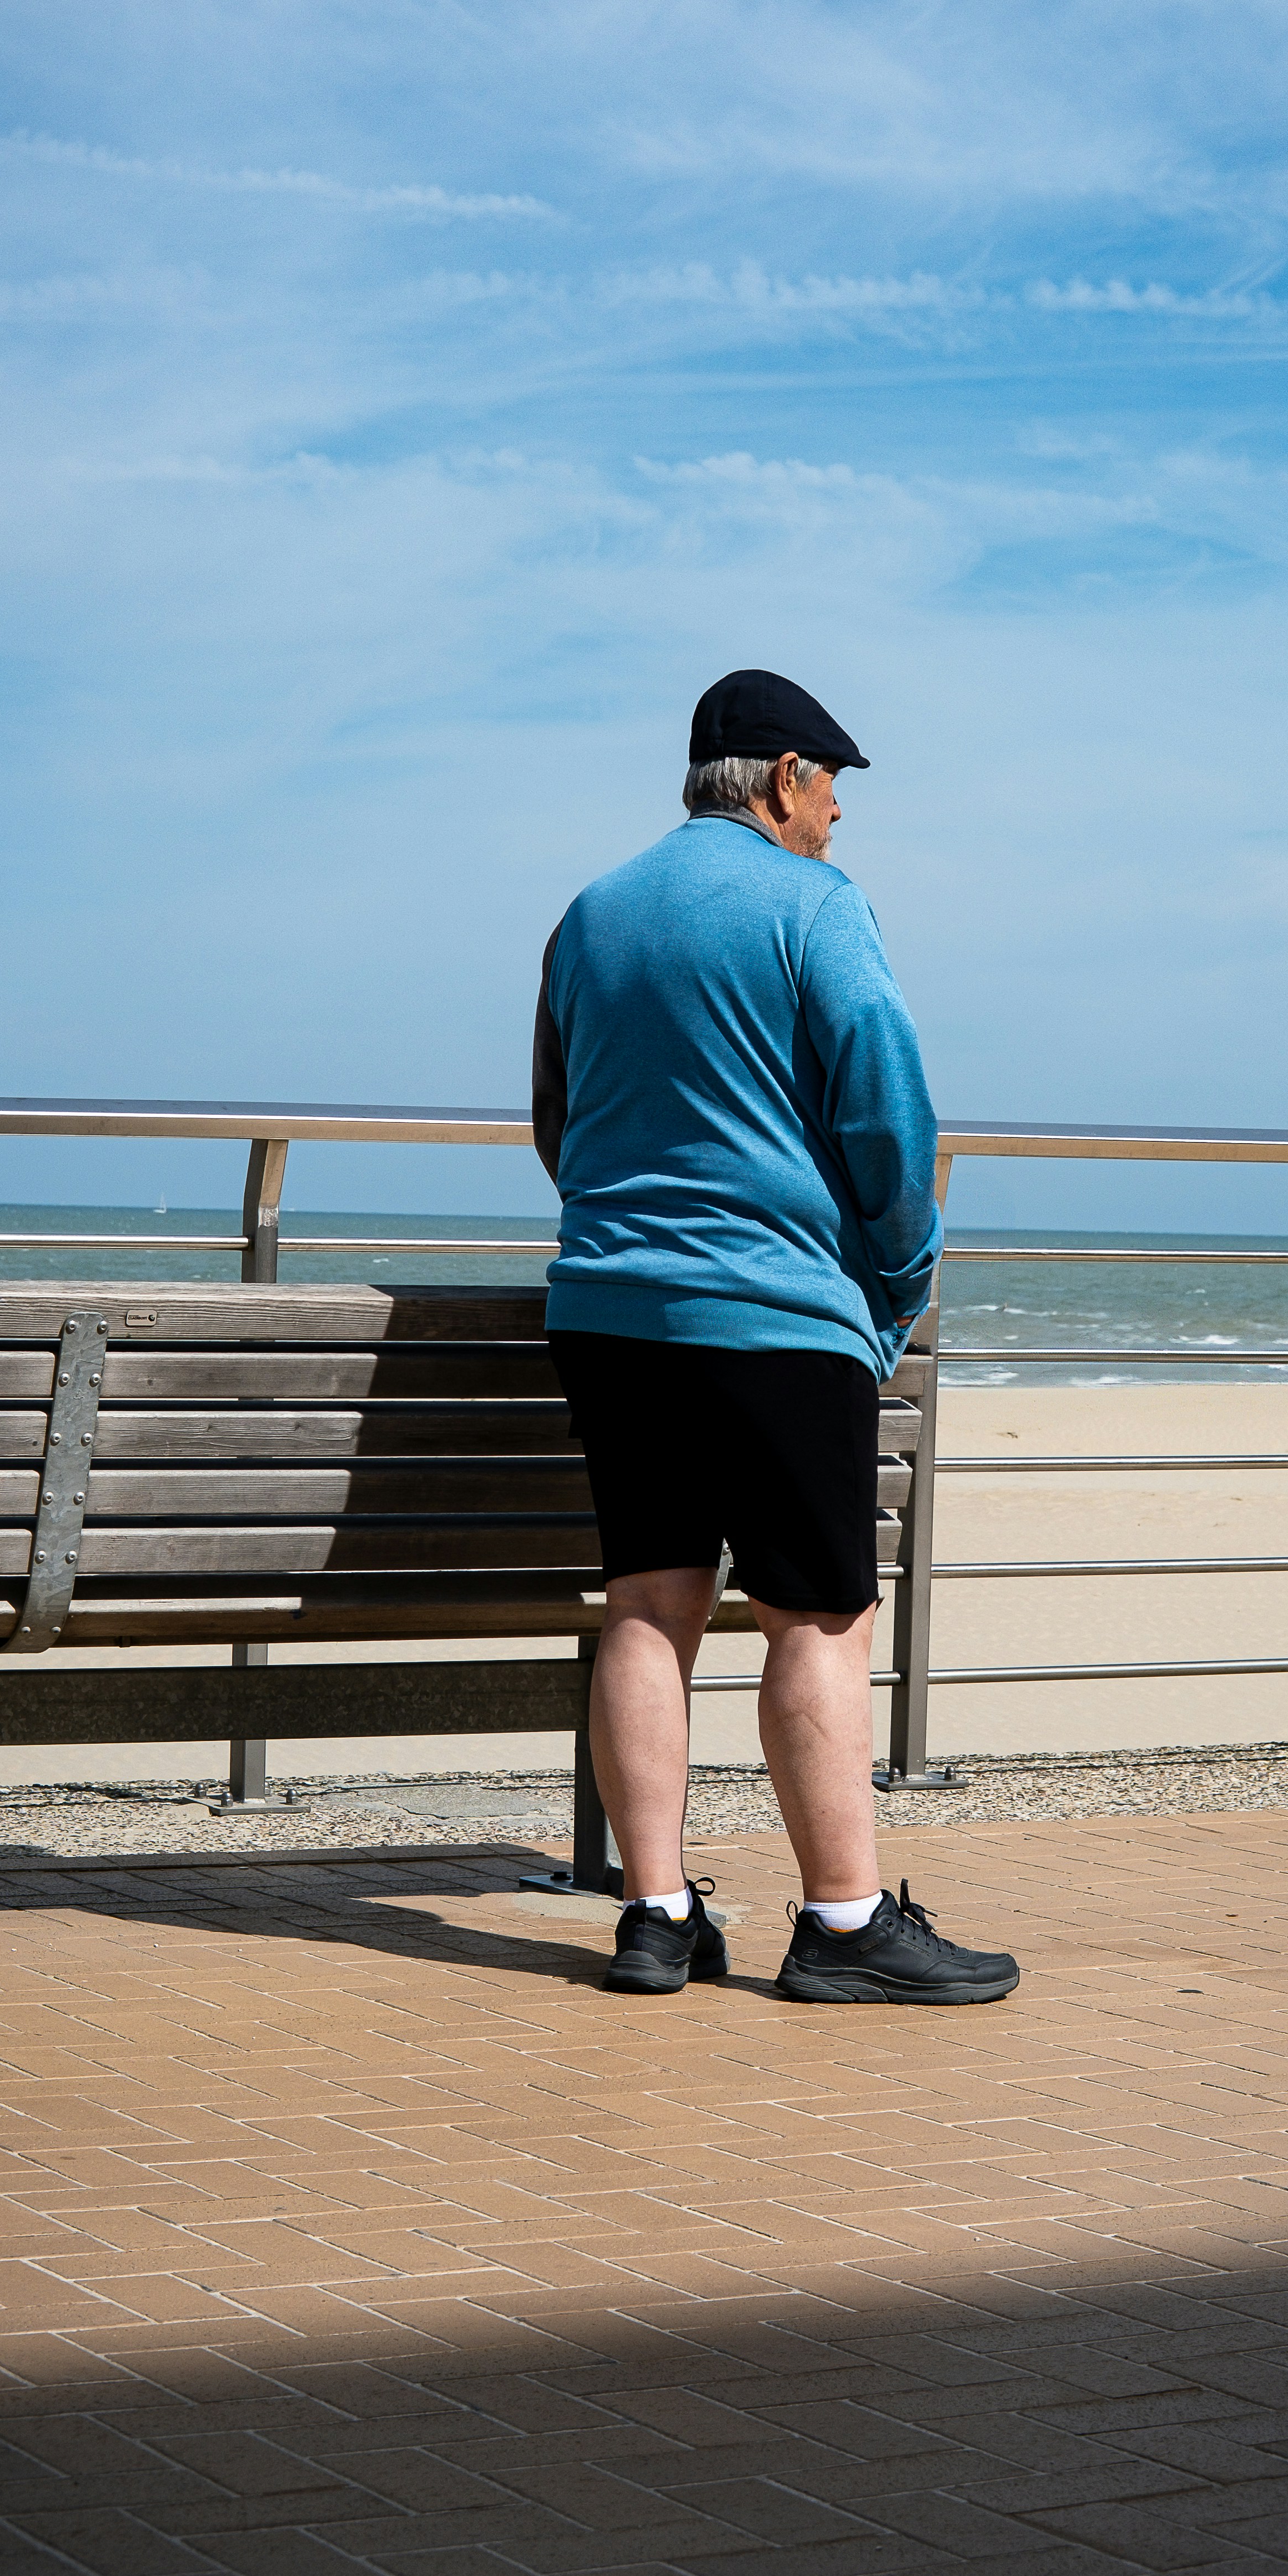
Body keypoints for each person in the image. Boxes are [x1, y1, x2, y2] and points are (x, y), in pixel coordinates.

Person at [531, 667, 1020, 2005]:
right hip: (775, 1312)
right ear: (785, 778)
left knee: (647, 1604)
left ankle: (653, 1914)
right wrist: (901, 1272)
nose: (839, 820)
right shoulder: (814, 906)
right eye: (833, 790)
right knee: (816, 1615)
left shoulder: (594, 913)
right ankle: (847, 1924)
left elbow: (555, 1121)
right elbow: (883, 1108)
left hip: (613, 1306)